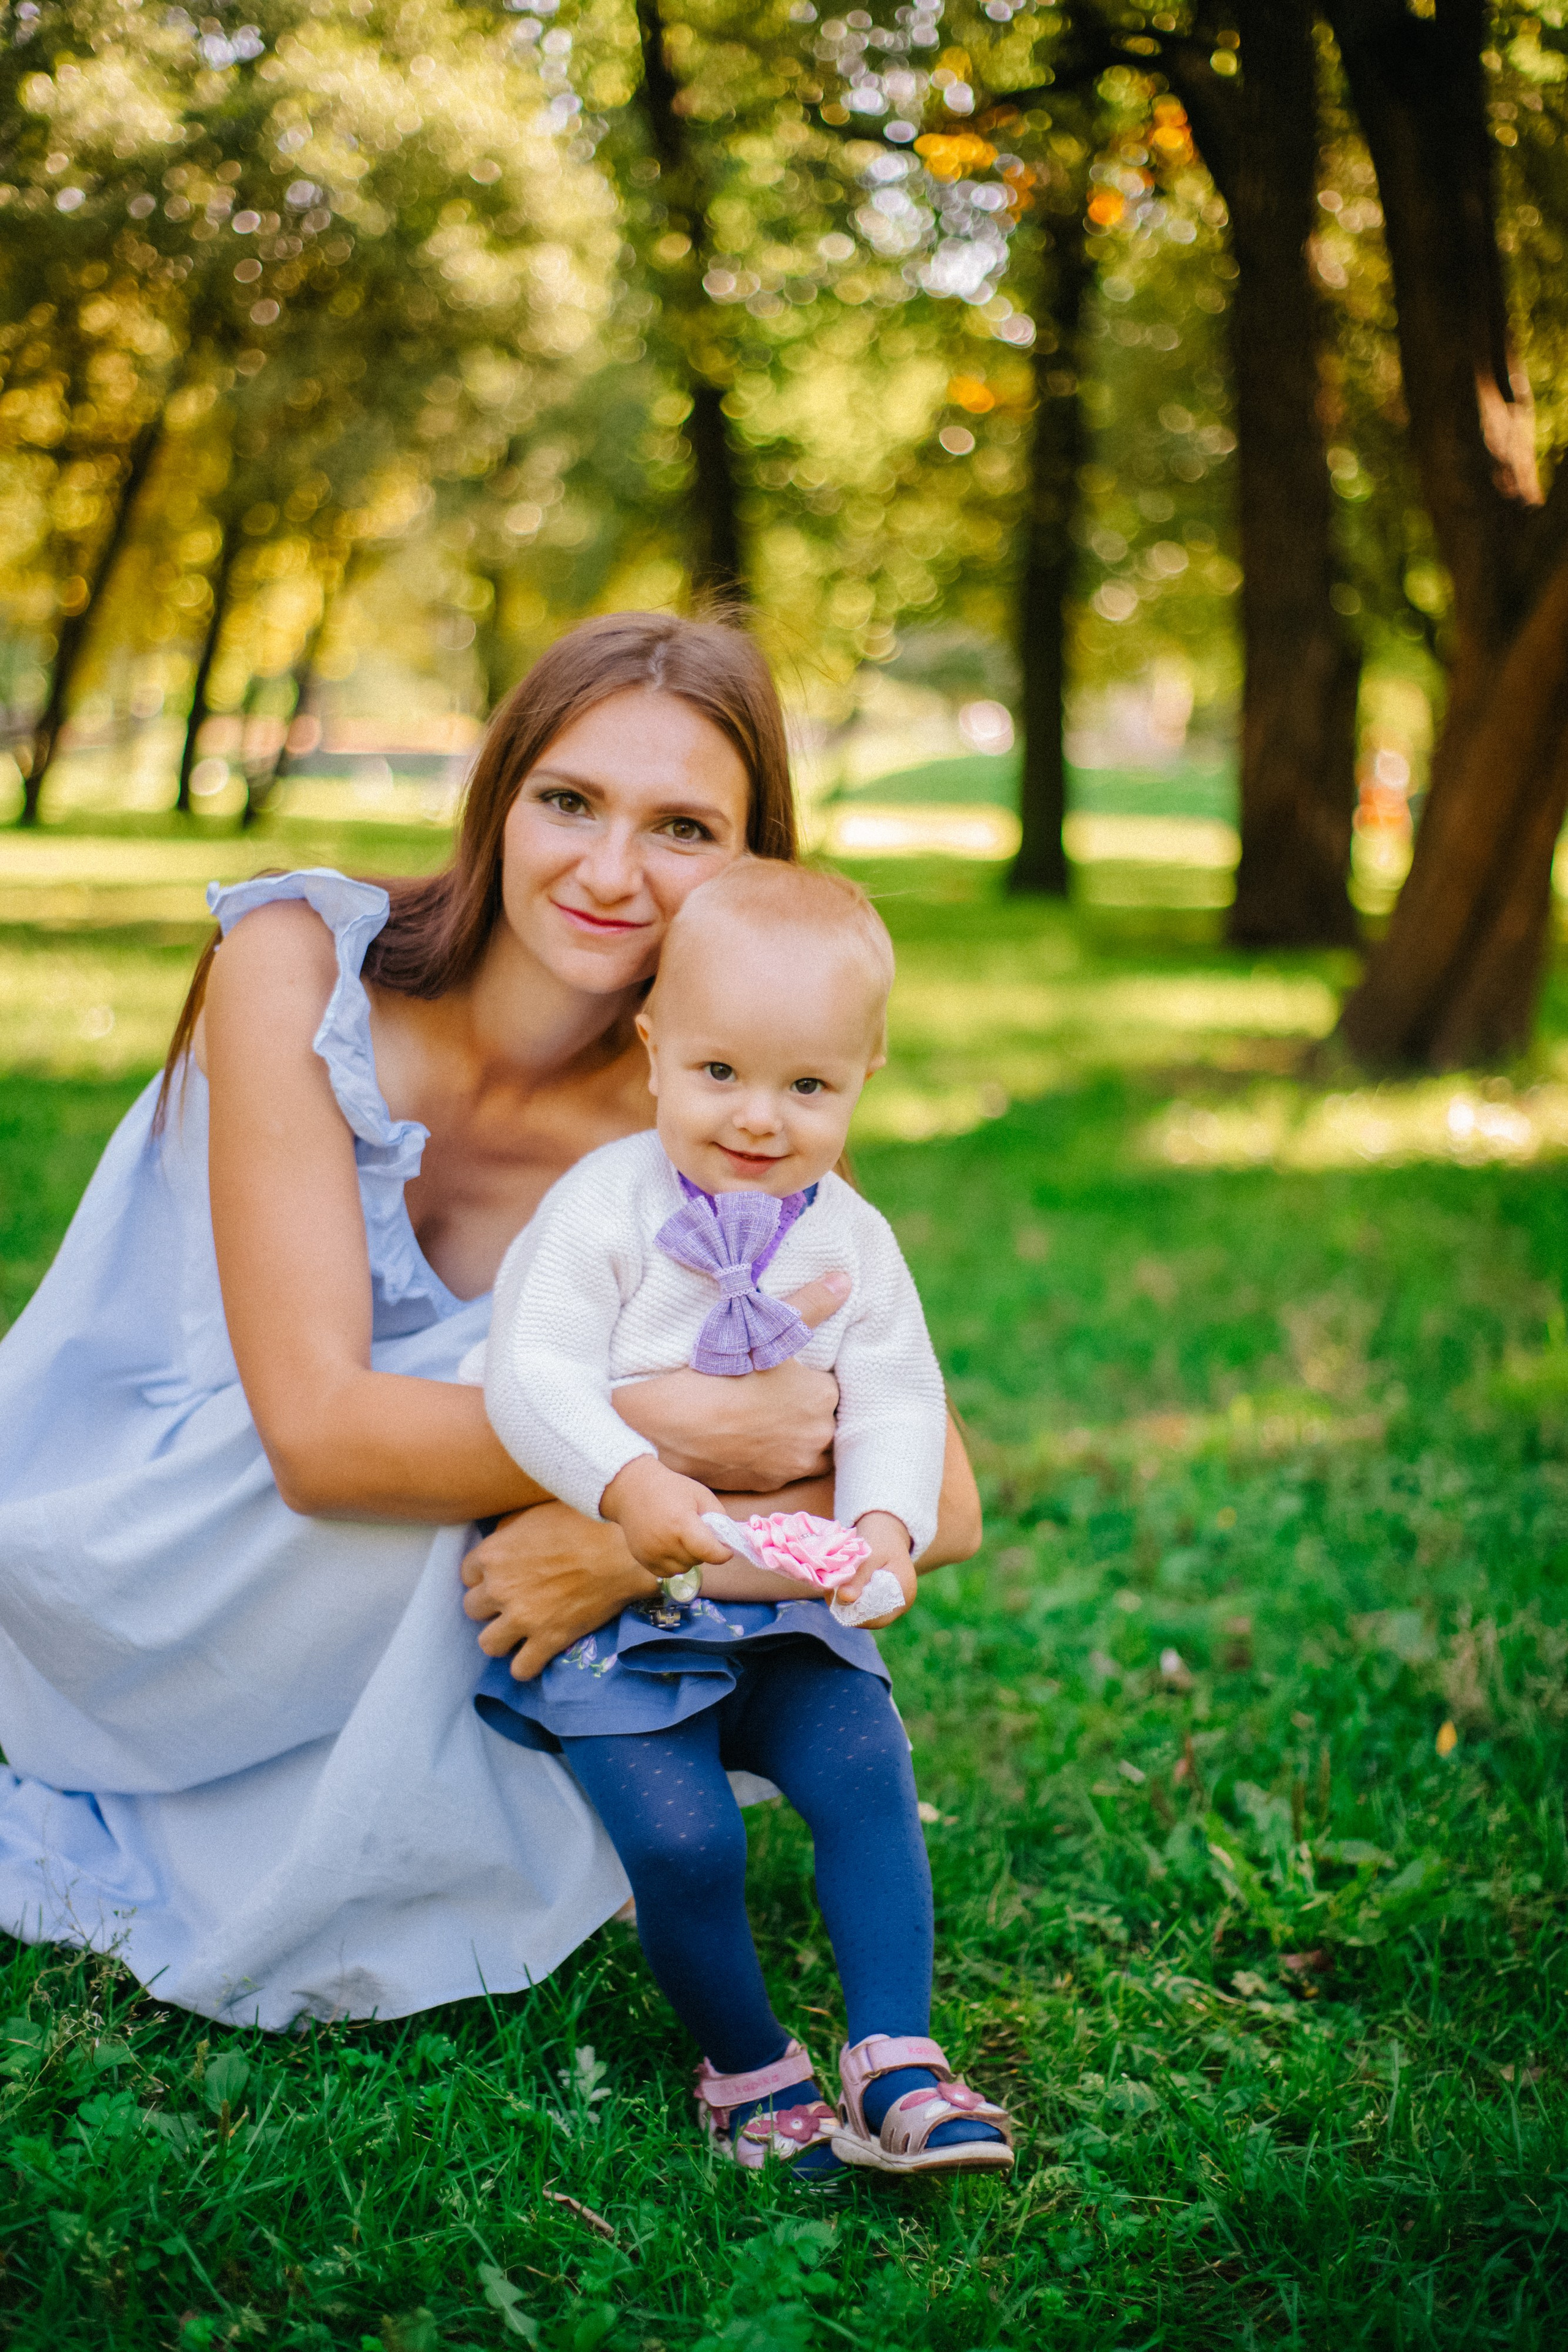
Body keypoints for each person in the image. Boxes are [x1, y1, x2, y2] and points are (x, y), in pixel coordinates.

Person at [0, 611, 981, 2030]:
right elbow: (322, 1443)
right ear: (497, 798)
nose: (607, 870)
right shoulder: (295, 966)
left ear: (749, 867)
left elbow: (938, 1500)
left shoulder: (711, 1112)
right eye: (567, 801)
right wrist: (663, 1442)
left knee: (640, 1328)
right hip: (150, 1538)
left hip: (419, 1588)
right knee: (572, 1343)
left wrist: (627, 1548)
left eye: (682, 828)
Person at [469, 859, 1013, 2179]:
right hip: (623, 1623)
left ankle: (896, 2059)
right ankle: (749, 2067)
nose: (759, 1119)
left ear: (863, 1075)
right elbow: (527, 1372)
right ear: (652, 1047)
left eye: (806, 1087)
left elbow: (892, 1387)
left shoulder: (852, 1239)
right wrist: (627, 1482)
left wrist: (880, 1528)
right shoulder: (603, 1209)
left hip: (780, 1607)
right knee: (685, 1836)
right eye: (719, 1074)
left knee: (865, 1776)